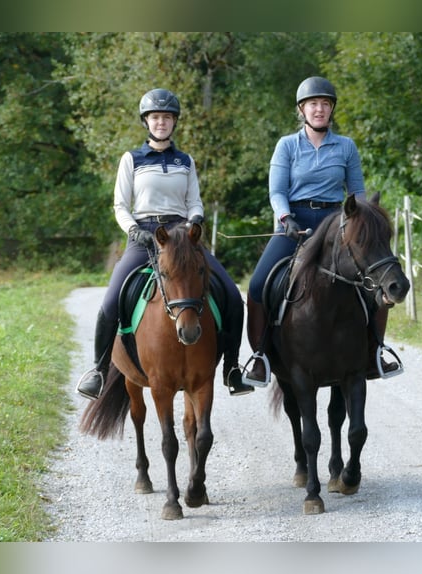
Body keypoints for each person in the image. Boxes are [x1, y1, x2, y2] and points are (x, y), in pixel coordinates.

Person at [76, 88, 253, 400]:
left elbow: (194, 201)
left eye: (167, 117)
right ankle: (99, 370)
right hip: (143, 234)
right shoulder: (132, 159)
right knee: (110, 302)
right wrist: (134, 230)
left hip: (182, 236)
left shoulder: (186, 161)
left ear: (174, 123)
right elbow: (120, 205)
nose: (161, 122)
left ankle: (232, 368)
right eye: (156, 117)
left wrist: (195, 221)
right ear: (147, 121)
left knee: (231, 295)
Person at [243, 76, 402, 387]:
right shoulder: (287, 145)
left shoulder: (346, 147)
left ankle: (375, 351)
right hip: (294, 223)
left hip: (336, 222)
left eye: (325, 104)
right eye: (313, 104)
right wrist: (285, 217)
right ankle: (261, 356)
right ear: (302, 109)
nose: (319, 109)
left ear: (331, 110)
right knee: (259, 284)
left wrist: (360, 221)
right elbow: (276, 191)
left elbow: (356, 193)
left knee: (372, 283)